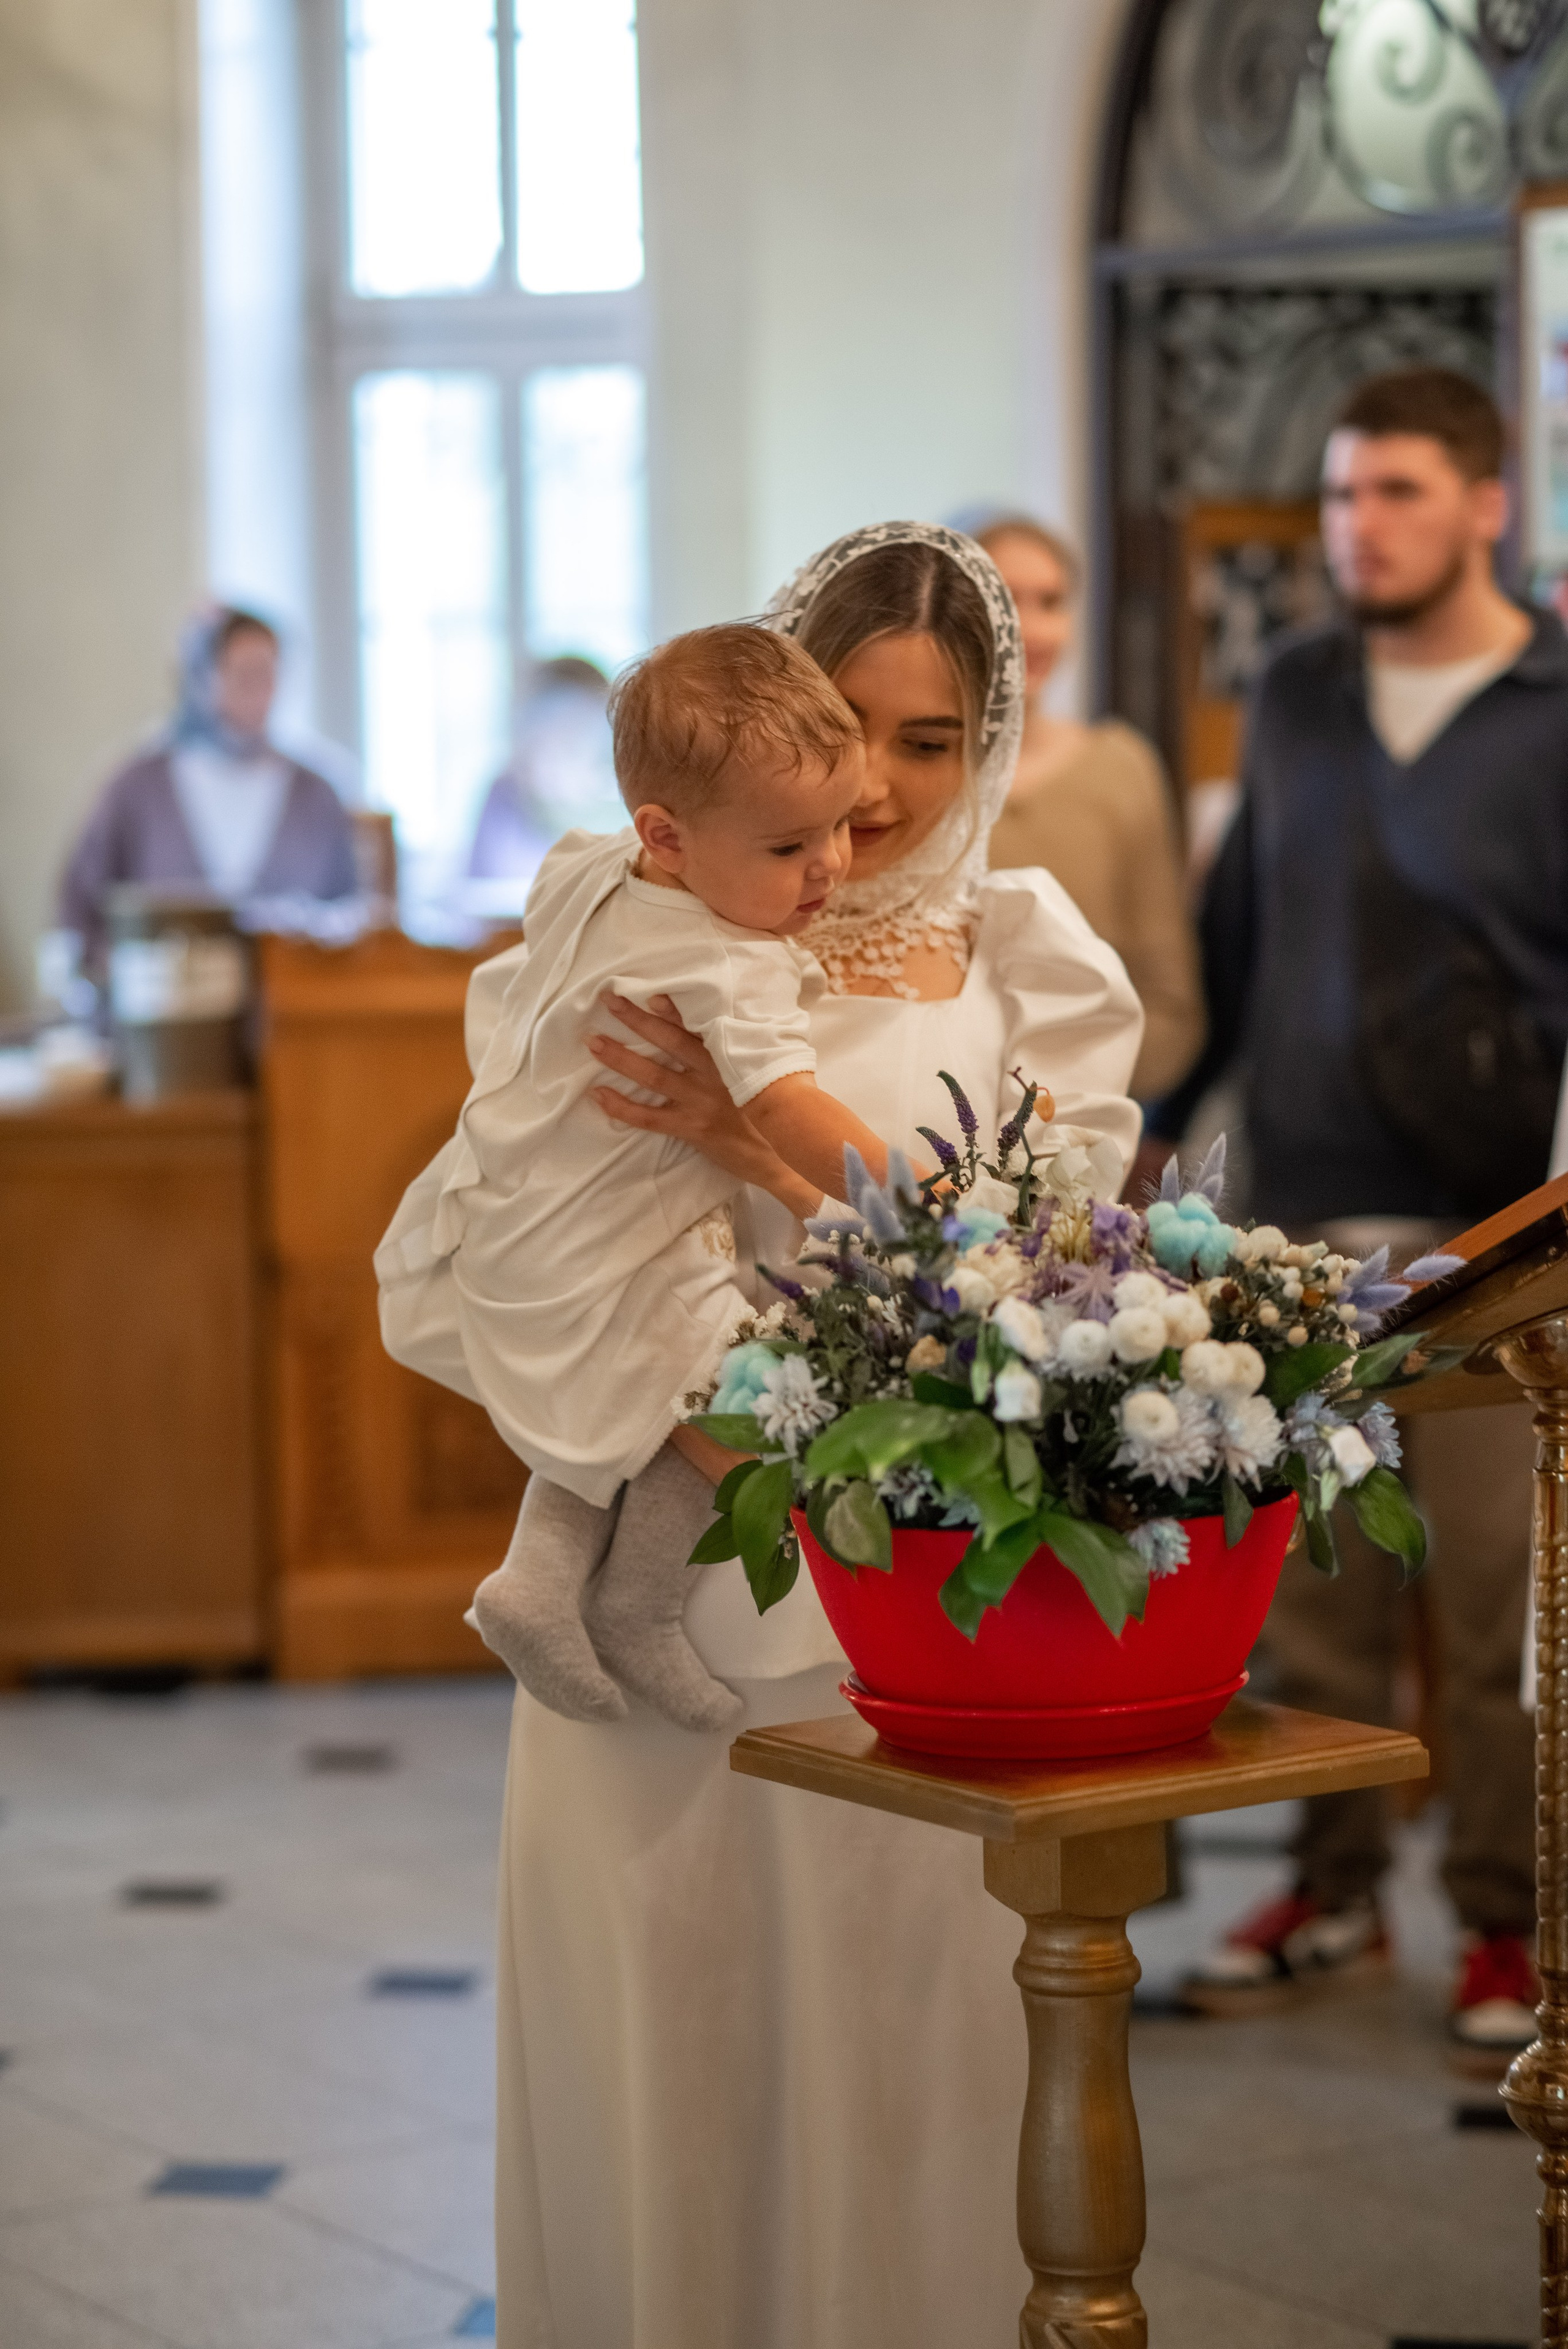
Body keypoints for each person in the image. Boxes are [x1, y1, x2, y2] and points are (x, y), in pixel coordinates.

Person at [379, 522, 1144, 2348]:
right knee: (673, 1993)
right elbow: (531, 1210)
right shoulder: (650, 914)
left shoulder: (1024, 963)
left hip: (889, 1566)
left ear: (992, 744)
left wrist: (747, 1152)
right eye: (849, 730)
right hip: (676, 1537)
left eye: (933, 741)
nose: (876, 790)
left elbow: (1041, 1282)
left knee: (885, 2015)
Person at [1148, 368, 1551, 2062]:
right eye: (1339, 495)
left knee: (1490, 1605)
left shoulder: (1554, 701)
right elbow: (1232, 939)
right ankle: (1323, 1888)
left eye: (1394, 491)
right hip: (1306, 1215)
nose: (1355, 526)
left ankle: (1506, 1933)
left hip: (1502, 1228)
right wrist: (1160, 1142)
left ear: (1487, 506)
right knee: (1302, 1593)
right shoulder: (1298, 692)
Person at [426, 625, 927, 1734]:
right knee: (743, 1399)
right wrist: (925, 1192)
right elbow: (784, 1106)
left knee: (639, 1394)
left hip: (525, 1212)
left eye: (838, 826)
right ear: (666, 836)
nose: (831, 866)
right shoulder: (727, 957)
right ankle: (622, 1602)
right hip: (614, 1228)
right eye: (790, 847)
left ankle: (555, 1584)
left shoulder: (593, 869)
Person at [967, 511, 1204, 1104]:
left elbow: (1169, 995)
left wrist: (1084, 1113)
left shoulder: (1121, 767)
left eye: (1051, 601)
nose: (1031, 628)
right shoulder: (903, 779)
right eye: (1003, 599)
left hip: (1090, 1124)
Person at [57, 605, 356, 968]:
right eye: (242, 675)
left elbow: (352, 912)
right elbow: (80, 914)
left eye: (267, 675)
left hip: (293, 1009)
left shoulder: (316, 793)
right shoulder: (136, 786)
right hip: (165, 1012)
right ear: (200, 678)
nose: (258, 692)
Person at [466, 655, 622, 900]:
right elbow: (476, 896)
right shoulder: (505, 793)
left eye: (577, 732)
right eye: (550, 725)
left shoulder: (623, 801)